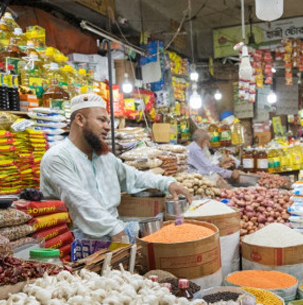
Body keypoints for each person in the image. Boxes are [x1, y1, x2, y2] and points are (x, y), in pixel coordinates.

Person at [40, 94, 192, 242]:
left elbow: (134, 176)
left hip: (112, 230)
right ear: (80, 119)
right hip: (75, 239)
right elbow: (79, 202)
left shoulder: (104, 157)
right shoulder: (57, 157)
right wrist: (116, 229)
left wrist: (167, 184)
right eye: (101, 120)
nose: (107, 127)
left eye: (108, 121)